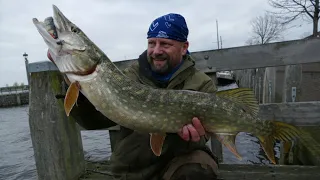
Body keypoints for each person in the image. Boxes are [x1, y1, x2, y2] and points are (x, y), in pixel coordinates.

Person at [64, 13, 219, 180]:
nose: (156, 51)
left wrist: (195, 137)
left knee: (198, 171)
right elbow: (93, 121)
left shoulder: (202, 84)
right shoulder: (128, 78)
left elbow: (205, 134)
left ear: (184, 47)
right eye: (152, 43)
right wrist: (82, 93)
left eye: (165, 44)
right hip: (133, 168)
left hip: (180, 163)